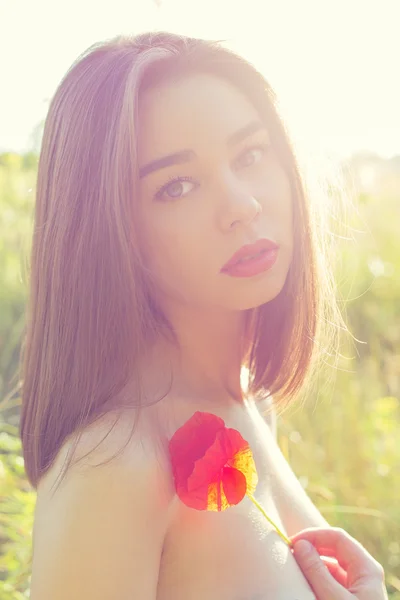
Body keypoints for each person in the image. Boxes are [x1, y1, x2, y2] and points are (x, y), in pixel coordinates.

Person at [19, 31, 387, 599]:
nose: (242, 205)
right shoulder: (115, 465)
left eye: (251, 155)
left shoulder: (248, 401)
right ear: (111, 233)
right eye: (177, 186)